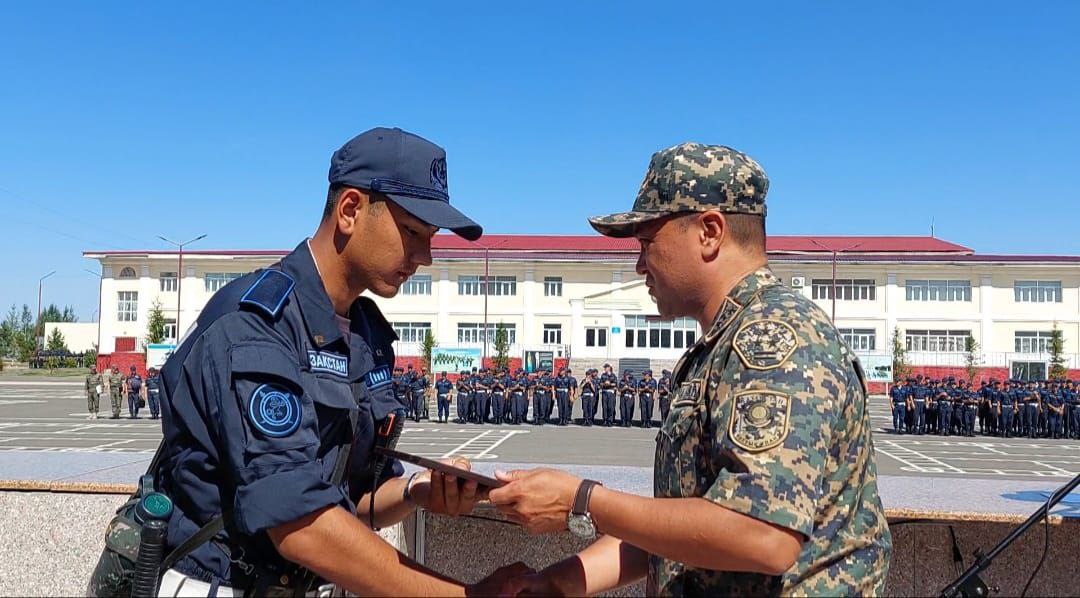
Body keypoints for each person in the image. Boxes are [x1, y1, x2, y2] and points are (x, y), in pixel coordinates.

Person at [88, 127, 528, 597]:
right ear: (350, 210)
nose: (425, 256)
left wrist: (420, 490)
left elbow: (347, 501)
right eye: (413, 232)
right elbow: (299, 524)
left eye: (431, 237)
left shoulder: (367, 333)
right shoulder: (257, 326)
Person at [486, 142, 891, 596]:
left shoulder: (772, 336)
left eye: (647, 242)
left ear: (710, 232)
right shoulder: (724, 342)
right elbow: (681, 529)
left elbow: (762, 535)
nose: (640, 264)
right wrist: (555, 584)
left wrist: (582, 500)